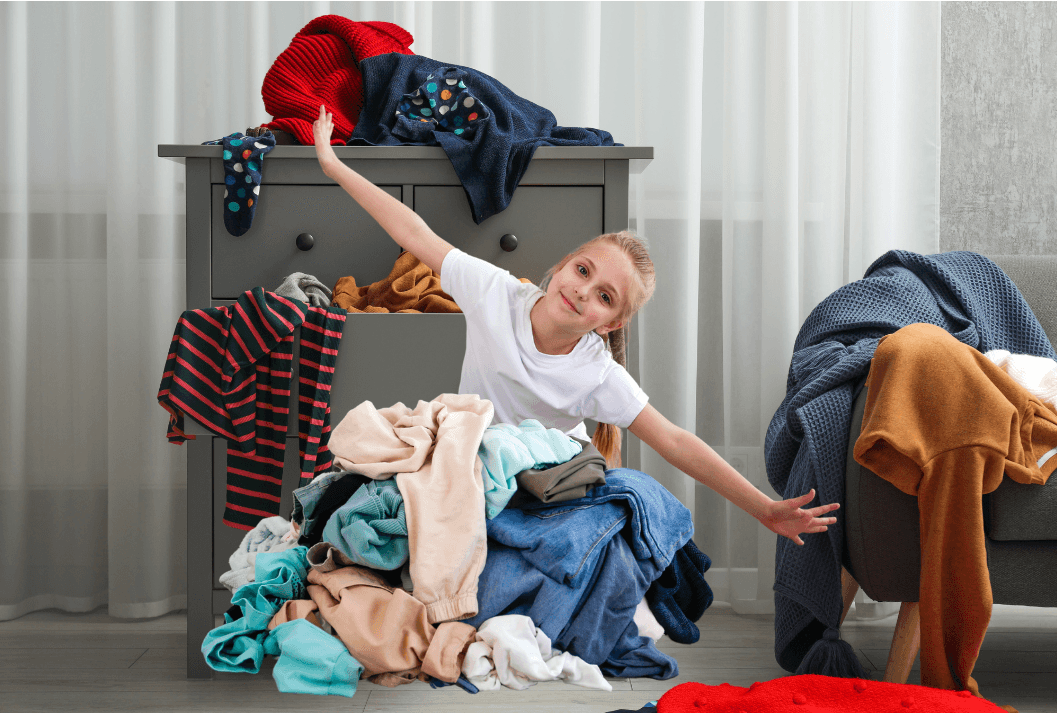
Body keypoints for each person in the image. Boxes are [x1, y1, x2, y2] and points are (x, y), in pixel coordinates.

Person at [312, 105, 838, 546]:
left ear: (612, 322)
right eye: (582, 271)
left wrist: (764, 509)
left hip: (547, 490)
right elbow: (415, 232)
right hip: (477, 473)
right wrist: (333, 165)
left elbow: (675, 441)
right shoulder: (497, 294)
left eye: (603, 296)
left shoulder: (595, 373)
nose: (581, 291)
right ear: (563, 264)